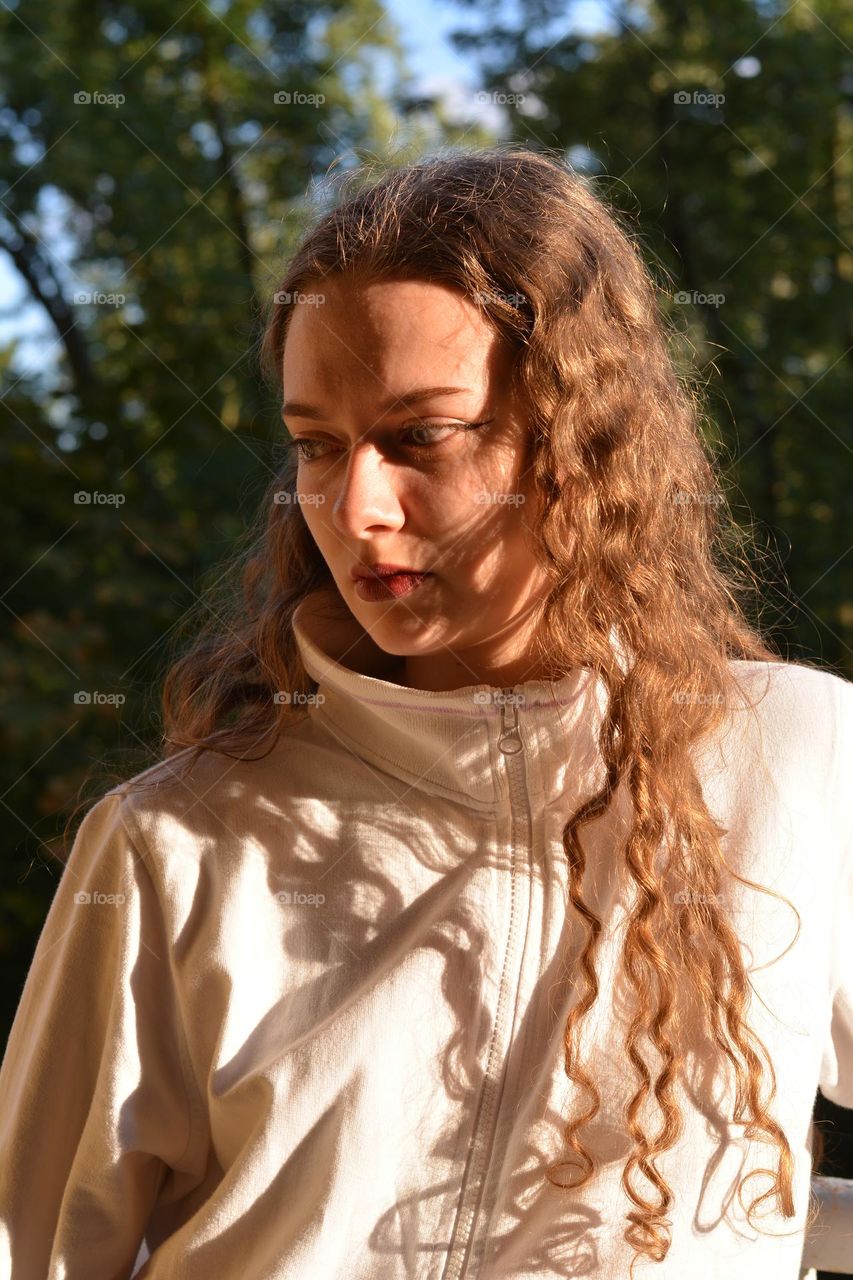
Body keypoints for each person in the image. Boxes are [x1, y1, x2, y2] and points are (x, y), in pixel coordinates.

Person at [0, 144, 851, 1280]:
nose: (352, 506)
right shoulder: (174, 841)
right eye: (314, 445)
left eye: (420, 437)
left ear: (579, 440)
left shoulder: (801, 757)